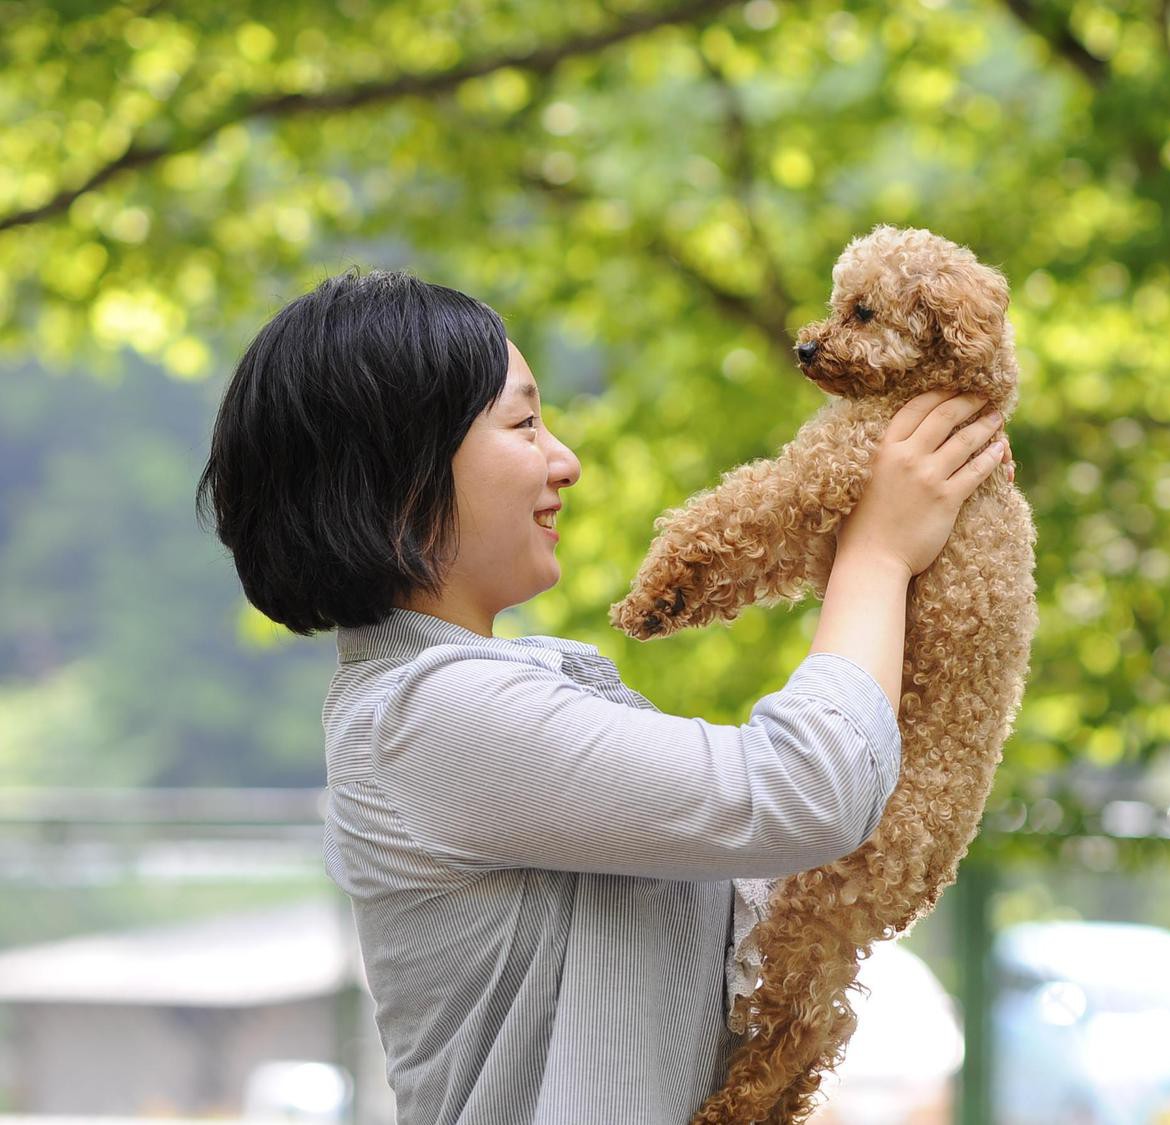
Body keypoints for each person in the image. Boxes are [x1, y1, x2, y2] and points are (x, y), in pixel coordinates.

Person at [195, 268, 1013, 1123]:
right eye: (524, 423)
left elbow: (778, 867)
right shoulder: (429, 716)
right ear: (400, 475)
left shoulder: (495, 696)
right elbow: (806, 791)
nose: (566, 461)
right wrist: (876, 555)